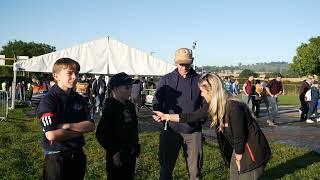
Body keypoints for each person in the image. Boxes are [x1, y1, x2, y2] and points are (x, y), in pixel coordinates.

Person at [153, 73, 271, 180]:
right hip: (240, 150)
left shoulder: (233, 107)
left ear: (211, 90)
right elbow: (191, 116)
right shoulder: (214, 106)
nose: (201, 94)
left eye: (202, 91)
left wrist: (239, 158)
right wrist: (166, 117)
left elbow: (240, 135)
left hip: (251, 152)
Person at [37, 58, 95, 179]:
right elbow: (51, 135)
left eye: (76, 73)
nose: (74, 77)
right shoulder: (49, 100)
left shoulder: (79, 99)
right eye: (69, 73)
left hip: (78, 155)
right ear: (56, 76)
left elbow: (91, 126)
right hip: (57, 156)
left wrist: (68, 126)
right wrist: (79, 131)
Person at [152, 48, 205, 180]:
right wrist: (157, 112)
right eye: (181, 64)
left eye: (187, 64)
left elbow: (205, 106)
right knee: (165, 169)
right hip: (171, 131)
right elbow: (156, 101)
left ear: (191, 62)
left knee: (195, 172)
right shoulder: (166, 79)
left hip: (193, 132)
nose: (184, 67)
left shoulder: (200, 80)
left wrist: (200, 121)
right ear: (176, 63)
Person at [96, 72, 140, 180]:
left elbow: (133, 128)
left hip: (130, 153)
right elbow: (101, 134)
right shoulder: (110, 107)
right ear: (115, 89)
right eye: (126, 88)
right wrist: (114, 151)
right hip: (117, 155)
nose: (130, 90)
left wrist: (136, 145)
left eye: (130, 87)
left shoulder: (129, 106)